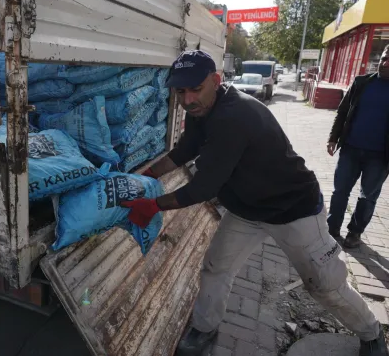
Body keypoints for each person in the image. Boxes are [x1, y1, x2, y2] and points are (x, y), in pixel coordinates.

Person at [121, 50, 387, 356]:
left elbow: (202, 188)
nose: (188, 99)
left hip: (293, 210)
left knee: (325, 285)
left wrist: (152, 205)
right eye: (181, 91)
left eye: (196, 89)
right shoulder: (200, 111)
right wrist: (146, 176)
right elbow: (183, 152)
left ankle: (372, 333)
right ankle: (204, 330)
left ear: (216, 81)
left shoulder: (233, 116)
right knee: (216, 267)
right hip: (248, 210)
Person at [326, 44, 389, 249]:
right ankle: (331, 228)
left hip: (380, 157)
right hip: (350, 149)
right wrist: (333, 138)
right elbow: (343, 111)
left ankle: (354, 232)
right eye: (384, 58)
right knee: (339, 192)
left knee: (368, 197)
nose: (385, 63)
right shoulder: (362, 82)